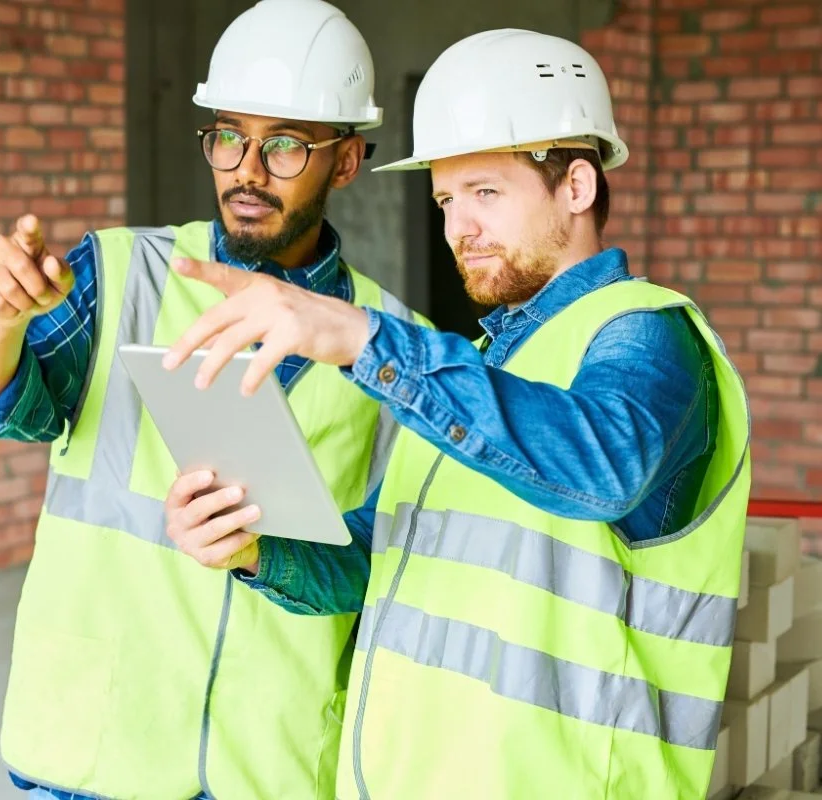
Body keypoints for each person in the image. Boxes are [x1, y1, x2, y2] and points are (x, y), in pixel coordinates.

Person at [161, 28, 751, 799]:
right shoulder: (473, 364)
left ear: (577, 186)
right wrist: (252, 552)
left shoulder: (647, 334)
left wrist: (361, 336)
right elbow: (380, 561)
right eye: (445, 199)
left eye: (487, 193)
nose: (458, 227)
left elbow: (600, 469)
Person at [0, 2, 421, 798]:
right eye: (228, 136)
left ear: (348, 160)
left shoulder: (393, 342)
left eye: (285, 144)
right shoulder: (124, 270)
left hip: (271, 765)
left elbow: (385, 563)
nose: (247, 170)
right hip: (95, 754)